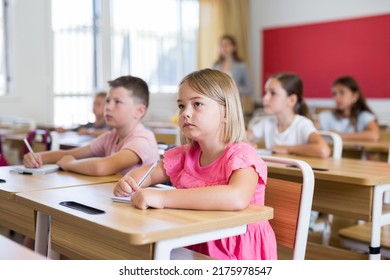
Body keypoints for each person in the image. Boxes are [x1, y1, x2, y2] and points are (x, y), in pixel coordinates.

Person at [114, 69, 277, 260]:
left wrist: (164, 198)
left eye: (197, 104)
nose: (185, 113)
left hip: (236, 249)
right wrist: (129, 182)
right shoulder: (185, 154)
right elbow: (148, 174)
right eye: (181, 106)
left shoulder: (241, 155)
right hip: (195, 242)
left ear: (225, 112)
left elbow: (236, 197)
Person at [23, 75, 159, 176]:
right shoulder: (110, 137)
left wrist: (70, 164)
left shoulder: (142, 140)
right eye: (108, 101)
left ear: (139, 111)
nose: (108, 107)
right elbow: (69, 154)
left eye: (117, 102)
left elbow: (102, 167)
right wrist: (38, 157)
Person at [247, 72, 330, 158]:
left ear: (291, 100)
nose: (265, 98)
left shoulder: (302, 124)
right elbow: (244, 136)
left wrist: (287, 149)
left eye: (273, 93)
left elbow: (323, 150)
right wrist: (245, 143)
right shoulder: (267, 123)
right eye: (266, 92)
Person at [317, 76, 380, 141]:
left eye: (342, 93)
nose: (337, 97)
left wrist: (339, 136)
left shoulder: (364, 116)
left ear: (355, 96)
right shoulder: (326, 116)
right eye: (334, 94)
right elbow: (315, 133)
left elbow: (374, 135)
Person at [213, 34, 253, 115]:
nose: (223, 48)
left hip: (235, 104)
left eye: (226, 45)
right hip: (218, 103)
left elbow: (249, 88)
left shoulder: (241, 66)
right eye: (221, 45)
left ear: (233, 47)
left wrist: (234, 89)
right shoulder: (216, 66)